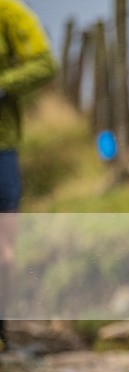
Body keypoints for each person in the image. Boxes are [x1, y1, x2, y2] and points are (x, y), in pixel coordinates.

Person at [0, 0, 56, 351]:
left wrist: (3, 85)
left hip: (2, 146)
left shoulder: (8, 11)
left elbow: (44, 64)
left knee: (4, 253)